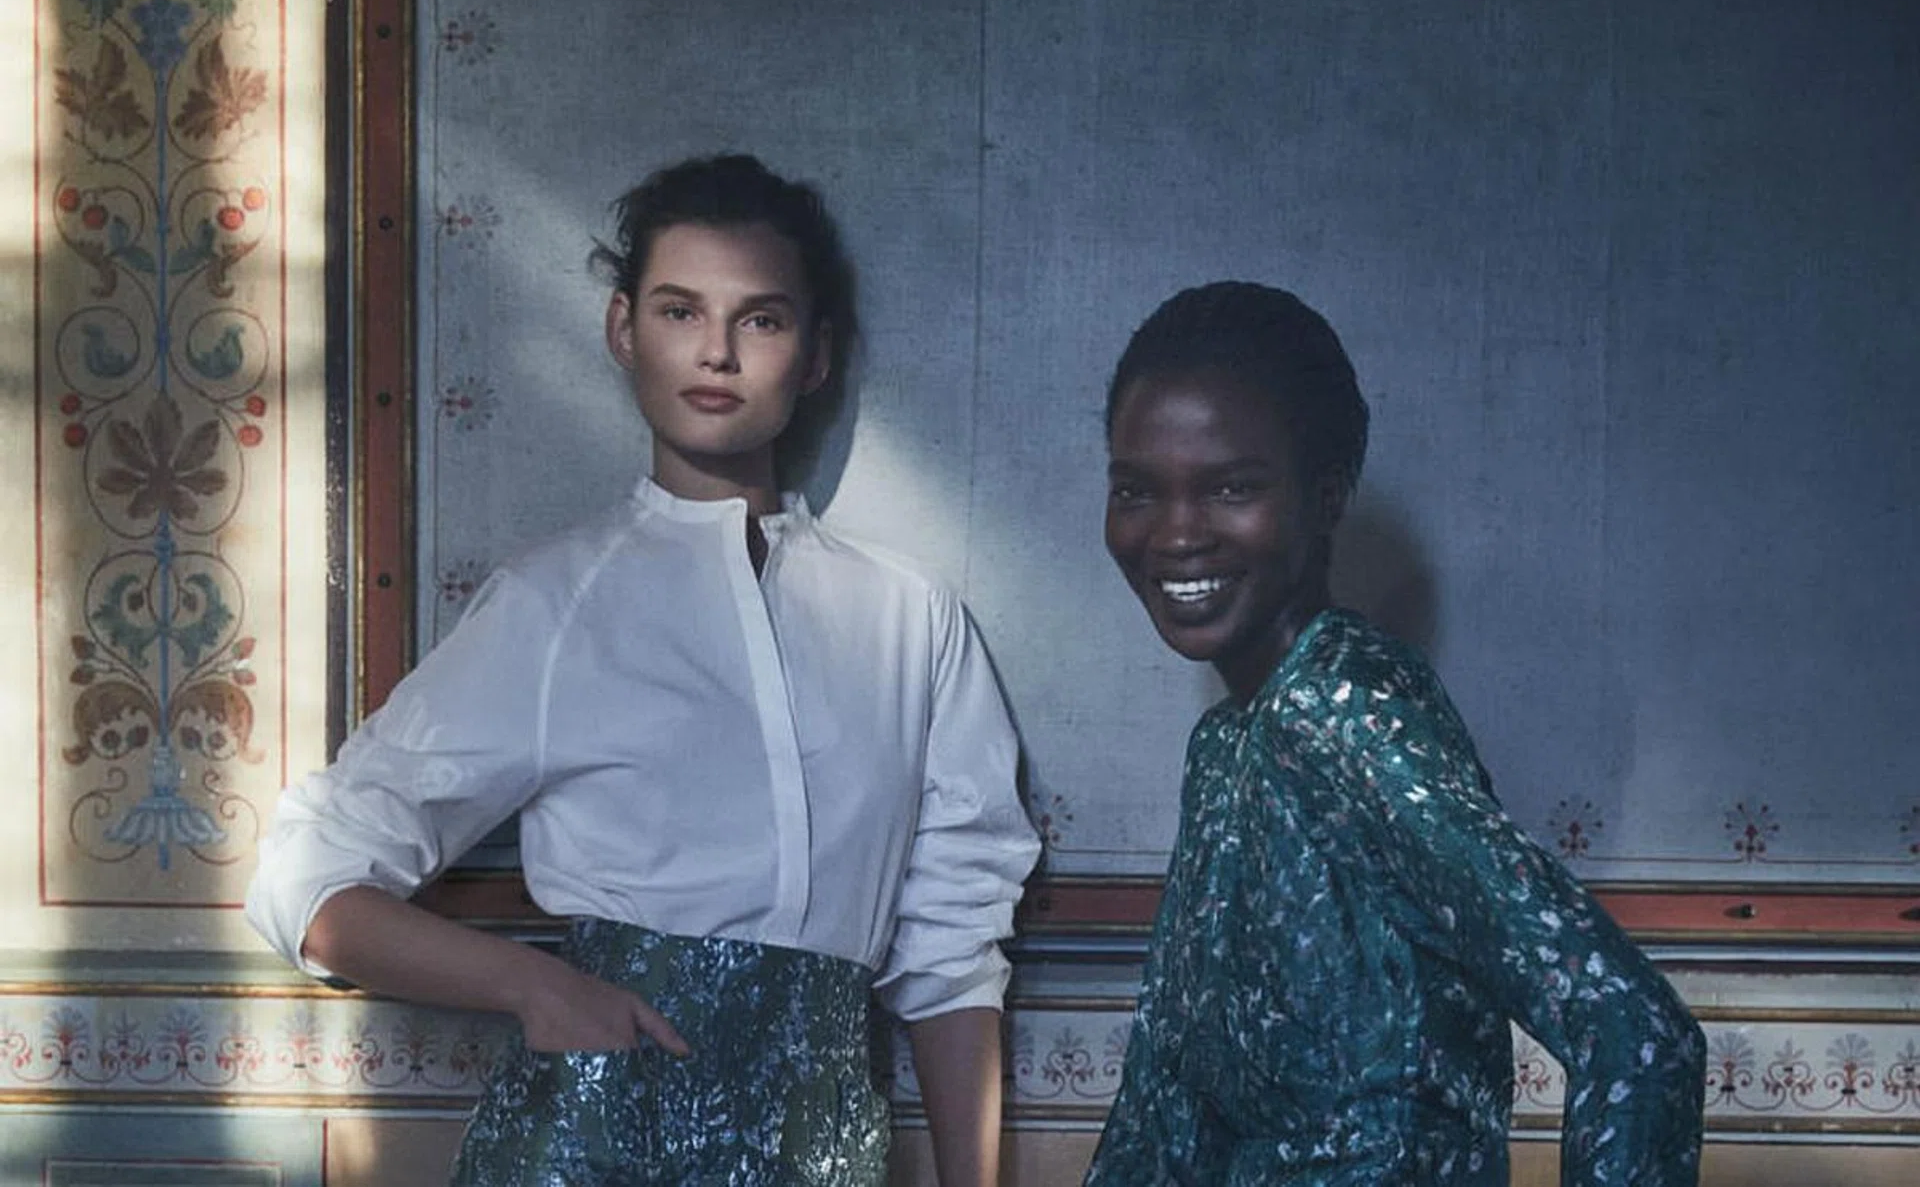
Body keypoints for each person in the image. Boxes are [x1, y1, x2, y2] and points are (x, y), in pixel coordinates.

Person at [246, 154, 1040, 1186]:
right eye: (679, 310)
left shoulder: (912, 618)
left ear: (815, 356)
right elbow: (305, 879)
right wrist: (533, 984)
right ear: (623, 329)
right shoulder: (554, 603)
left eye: (761, 319)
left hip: (821, 1151)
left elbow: (951, 954)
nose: (716, 352)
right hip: (591, 1141)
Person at [1084, 282, 1705, 1185]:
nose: (1176, 534)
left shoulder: (1344, 712)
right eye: (1137, 490)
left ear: (1326, 496)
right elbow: (1163, 1111)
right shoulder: (1224, 746)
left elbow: (1635, 1031)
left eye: (1231, 488)